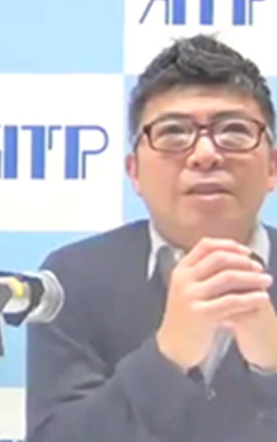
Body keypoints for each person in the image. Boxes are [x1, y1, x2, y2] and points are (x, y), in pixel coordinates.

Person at [26, 34, 277, 442]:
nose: (205, 154)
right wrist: (167, 356)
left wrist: (272, 368)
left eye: (233, 131)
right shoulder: (72, 280)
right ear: (135, 173)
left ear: (272, 168)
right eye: (174, 133)